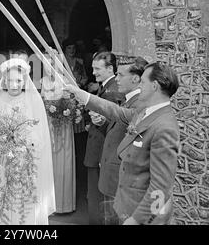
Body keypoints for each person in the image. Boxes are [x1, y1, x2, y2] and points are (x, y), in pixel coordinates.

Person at [66, 61, 180, 225]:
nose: (139, 85)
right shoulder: (147, 111)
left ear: (154, 86)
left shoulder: (164, 126)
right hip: (126, 205)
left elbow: (161, 186)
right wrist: (85, 96)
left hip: (139, 213)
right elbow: (117, 112)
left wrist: (137, 219)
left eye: (143, 82)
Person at [0, 58, 55, 224]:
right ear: (4, 81)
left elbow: (39, 133)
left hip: (24, 160)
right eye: (9, 80)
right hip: (1, 159)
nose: (14, 85)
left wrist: (23, 140)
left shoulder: (32, 100)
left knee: (21, 199)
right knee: (1, 195)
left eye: (18, 80)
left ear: (24, 81)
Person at [99, 56, 148, 225]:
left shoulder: (141, 103)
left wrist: (84, 97)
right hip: (111, 177)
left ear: (135, 78)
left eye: (120, 75)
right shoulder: (128, 99)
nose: (116, 79)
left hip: (120, 182)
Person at [84, 52, 124, 225]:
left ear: (110, 68)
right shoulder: (106, 87)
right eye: (93, 68)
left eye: (97, 68)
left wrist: (98, 122)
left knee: (98, 199)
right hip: (98, 150)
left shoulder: (112, 91)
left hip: (101, 153)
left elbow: (114, 126)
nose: (94, 72)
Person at [40, 53, 76, 213]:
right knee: (48, 161)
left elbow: (73, 103)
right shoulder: (42, 81)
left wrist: (65, 109)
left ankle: (64, 204)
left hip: (63, 126)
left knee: (63, 160)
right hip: (47, 125)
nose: (48, 68)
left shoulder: (66, 80)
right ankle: (48, 204)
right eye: (45, 64)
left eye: (51, 63)